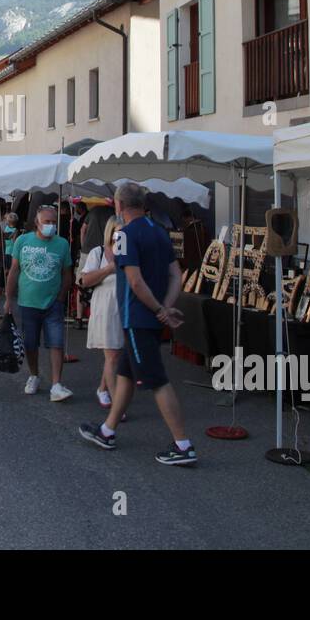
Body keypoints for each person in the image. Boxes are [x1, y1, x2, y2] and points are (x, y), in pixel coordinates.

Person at [79, 183, 197, 466]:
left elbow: (134, 280)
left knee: (156, 380)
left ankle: (183, 444)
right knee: (125, 374)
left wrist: (158, 309)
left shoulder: (123, 235)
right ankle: (107, 430)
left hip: (137, 316)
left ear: (118, 206)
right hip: (151, 316)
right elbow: (176, 275)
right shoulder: (159, 231)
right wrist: (166, 308)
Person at [6, 204, 73, 401]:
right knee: (30, 343)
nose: (51, 225)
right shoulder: (22, 241)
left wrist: (61, 296)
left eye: (54, 222)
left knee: (56, 343)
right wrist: (8, 298)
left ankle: (56, 384)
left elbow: (67, 273)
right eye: (47, 222)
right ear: (37, 223)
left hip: (54, 303)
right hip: (28, 303)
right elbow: (14, 271)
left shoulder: (62, 244)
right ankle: (34, 375)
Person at [79, 217, 123, 409]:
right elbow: (85, 280)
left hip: (125, 307)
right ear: (110, 231)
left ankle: (103, 388)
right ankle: (116, 404)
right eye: (118, 231)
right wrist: (110, 268)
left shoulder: (132, 252)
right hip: (105, 307)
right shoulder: (98, 252)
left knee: (116, 355)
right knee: (112, 356)